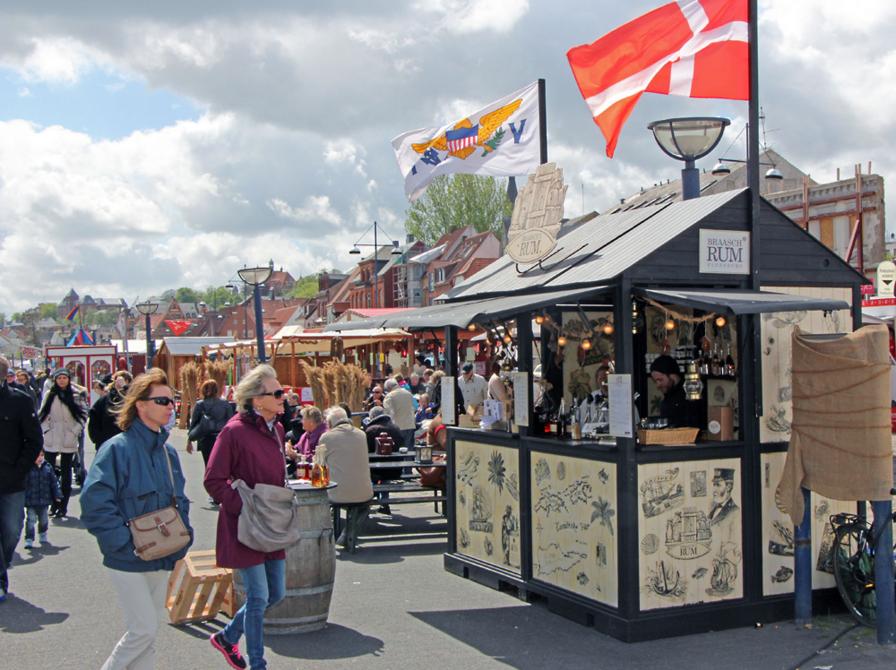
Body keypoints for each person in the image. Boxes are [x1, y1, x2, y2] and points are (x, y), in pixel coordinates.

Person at [80, 368, 193, 669]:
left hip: (162, 551)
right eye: (162, 401)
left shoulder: (168, 452)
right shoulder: (116, 449)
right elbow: (93, 502)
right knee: (143, 629)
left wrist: (184, 536)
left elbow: (179, 498)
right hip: (128, 556)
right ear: (140, 404)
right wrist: (122, 543)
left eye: (173, 401)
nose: (170, 407)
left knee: (147, 634)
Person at [204, 364, 288, 670]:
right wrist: (241, 504)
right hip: (245, 525)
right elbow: (213, 479)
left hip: (271, 523)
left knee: (276, 593)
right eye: (277, 393)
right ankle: (257, 664)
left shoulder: (277, 430)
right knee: (258, 596)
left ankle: (227, 637)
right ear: (257, 399)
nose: (283, 397)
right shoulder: (233, 431)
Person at [0, 355, 43, 602]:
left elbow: (34, 440)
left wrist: (20, 470)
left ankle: (2, 566)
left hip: (12, 480)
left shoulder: (20, 401)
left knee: (11, 529)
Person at [315, 406, 373, 552]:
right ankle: (347, 533)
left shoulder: (326, 437)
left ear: (330, 423)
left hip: (337, 492)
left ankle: (337, 535)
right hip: (364, 491)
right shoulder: (361, 435)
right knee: (364, 504)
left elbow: (320, 464)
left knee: (327, 497)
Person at [39, 369, 86, 519]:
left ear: (69, 379)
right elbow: (42, 414)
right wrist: (46, 430)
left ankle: (63, 506)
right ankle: (53, 504)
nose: (61, 380)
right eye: (59, 378)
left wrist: (73, 432)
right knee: (50, 473)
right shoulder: (49, 394)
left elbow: (83, 416)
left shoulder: (76, 395)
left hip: (68, 436)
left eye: (64, 377)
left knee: (66, 474)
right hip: (52, 437)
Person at [186, 379, 234, 468]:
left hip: (205, 439)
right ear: (216, 390)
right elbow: (231, 423)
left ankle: (209, 481)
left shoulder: (200, 404)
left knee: (208, 465)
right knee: (222, 466)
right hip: (222, 439)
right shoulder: (225, 404)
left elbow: (194, 422)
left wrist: (189, 440)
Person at [23, 451, 62, 550]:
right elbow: (23, 484)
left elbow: (54, 483)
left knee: (44, 519)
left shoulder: (48, 467)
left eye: (42, 455)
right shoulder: (28, 468)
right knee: (31, 520)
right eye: (37, 456)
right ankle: (29, 539)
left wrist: (57, 495)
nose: (40, 458)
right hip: (31, 501)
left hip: (44, 501)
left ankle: (42, 533)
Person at [649, 355, 699, 428]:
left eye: (660, 380)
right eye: (655, 381)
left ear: (672, 375)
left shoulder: (690, 394)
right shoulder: (668, 397)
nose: (657, 385)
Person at [88, 371, 132, 450]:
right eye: (117, 380)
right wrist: (98, 438)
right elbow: (93, 418)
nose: (119, 383)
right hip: (106, 444)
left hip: (127, 444)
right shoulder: (104, 400)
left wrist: (125, 388)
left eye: (122, 381)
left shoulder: (132, 400)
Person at [383, 378, 416, 450]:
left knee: (399, 450)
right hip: (410, 425)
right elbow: (414, 408)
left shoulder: (389, 396)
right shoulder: (408, 393)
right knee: (409, 450)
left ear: (388, 387)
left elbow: (388, 413)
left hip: (398, 426)